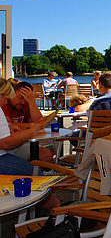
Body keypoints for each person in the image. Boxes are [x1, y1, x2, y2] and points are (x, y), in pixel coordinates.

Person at [0, 78, 60, 211]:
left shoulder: (23, 104)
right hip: (4, 153)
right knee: (36, 176)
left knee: (43, 157)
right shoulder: (3, 106)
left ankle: (35, 205)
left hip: (10, 149)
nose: (5, 101)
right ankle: (56, 209)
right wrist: (31, 130)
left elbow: (39, 121)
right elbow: (6, 142)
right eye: (5, 97)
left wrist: (31, 101)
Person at [2, 81, 53, 162]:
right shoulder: (4, 103)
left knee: (46, 155)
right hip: (8, 145)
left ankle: (34, 172)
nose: (23, 102)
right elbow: (9, 124)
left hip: (21, 141)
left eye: (26, 99)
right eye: (20, 98)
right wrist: (31, 127)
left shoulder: (25, 103)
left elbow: (39, 123)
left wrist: (31, 101)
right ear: (12, 94)